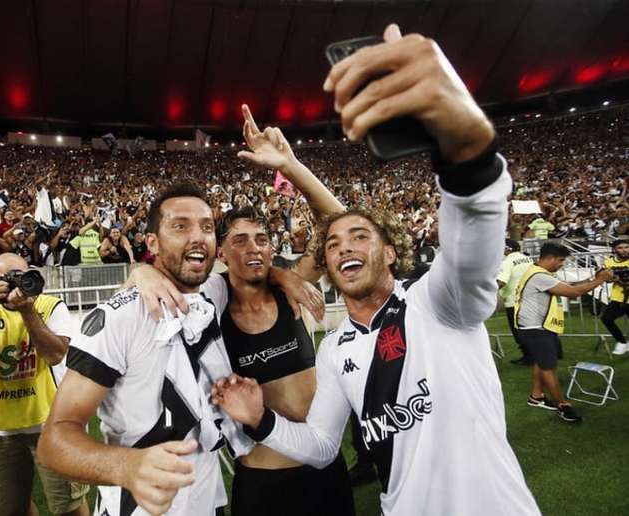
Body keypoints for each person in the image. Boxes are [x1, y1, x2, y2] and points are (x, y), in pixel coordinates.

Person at [211, 23, 541, 515]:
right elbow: (323, 445)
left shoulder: (440, 301)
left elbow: (472, 246)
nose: (345, 246)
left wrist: (466, 151)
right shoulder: (337, 348)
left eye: (362, 236)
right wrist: (260, 421)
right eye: (335, 243)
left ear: (390, 252)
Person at [37, 182, 321, 516]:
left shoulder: (211, 294)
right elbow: (54, 442)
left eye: (205, 227)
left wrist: (281, 274)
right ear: (153, 242)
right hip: (140, 508)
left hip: (207, 501)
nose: (197, 236)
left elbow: (251, 269)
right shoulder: (119, 316)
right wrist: (126, 466)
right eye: (180, 226)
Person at [0, 253, 89, 516]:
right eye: (5, 278)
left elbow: (55, 354)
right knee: (7, 508)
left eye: (19, 276)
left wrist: (27, 309)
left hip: (51, 421)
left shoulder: (50, 306)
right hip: (2, 425)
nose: (14, 284)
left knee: (67, 506)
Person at [514, 241, 613, 422]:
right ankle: (563, 405)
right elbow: (573, 292)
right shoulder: (539, 276)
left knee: (540, 362)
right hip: (536, 329)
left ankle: (536, 397)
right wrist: (600, 281)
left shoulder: (538, 271)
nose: (562, 264)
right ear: (549, 258)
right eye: (561, 260)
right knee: (548, 367)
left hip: (537, 327)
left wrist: (594, 278)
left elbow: (568, 284)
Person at [497, 239, 534, 364]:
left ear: (508, 249)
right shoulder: (528, 259)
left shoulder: (507, 262)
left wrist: (486, 292)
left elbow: (502, 281)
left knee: (518, 330)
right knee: (531, 328)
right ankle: (534, 355)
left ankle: (529, 357)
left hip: (514, 301)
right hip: (531, 298)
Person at [601, 238, 629, 355]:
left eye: (627, 247)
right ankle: (622, 342)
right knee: (606, 318)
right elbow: (605, 278)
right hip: (618, 297)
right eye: (620, 248)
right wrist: (611, 278)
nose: (624, 250)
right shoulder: (609, 262)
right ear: (614, 249)